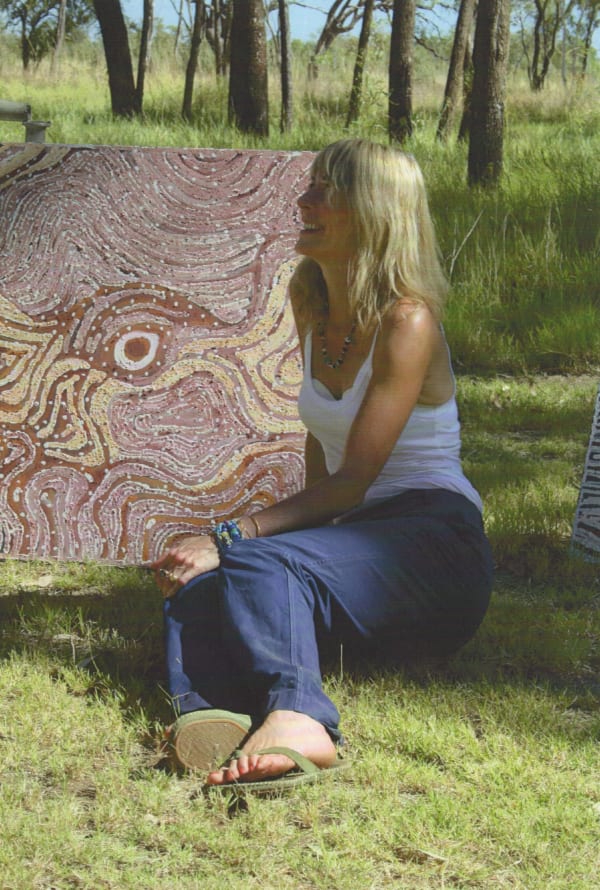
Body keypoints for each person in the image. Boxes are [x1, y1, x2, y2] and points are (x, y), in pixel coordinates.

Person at [152, 138, 493, 789]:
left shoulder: (407, 321)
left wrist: (231, 536)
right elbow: (320, 443)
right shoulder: (311, 303)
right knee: (194, 578)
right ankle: (210, 716)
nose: (303, 200)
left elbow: (353, 481)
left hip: (434, 547)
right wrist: (282, 546)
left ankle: (301, 715)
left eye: (324, 191)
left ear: (373, 211)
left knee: (246, 554)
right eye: (309, 186)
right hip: (361, 549)